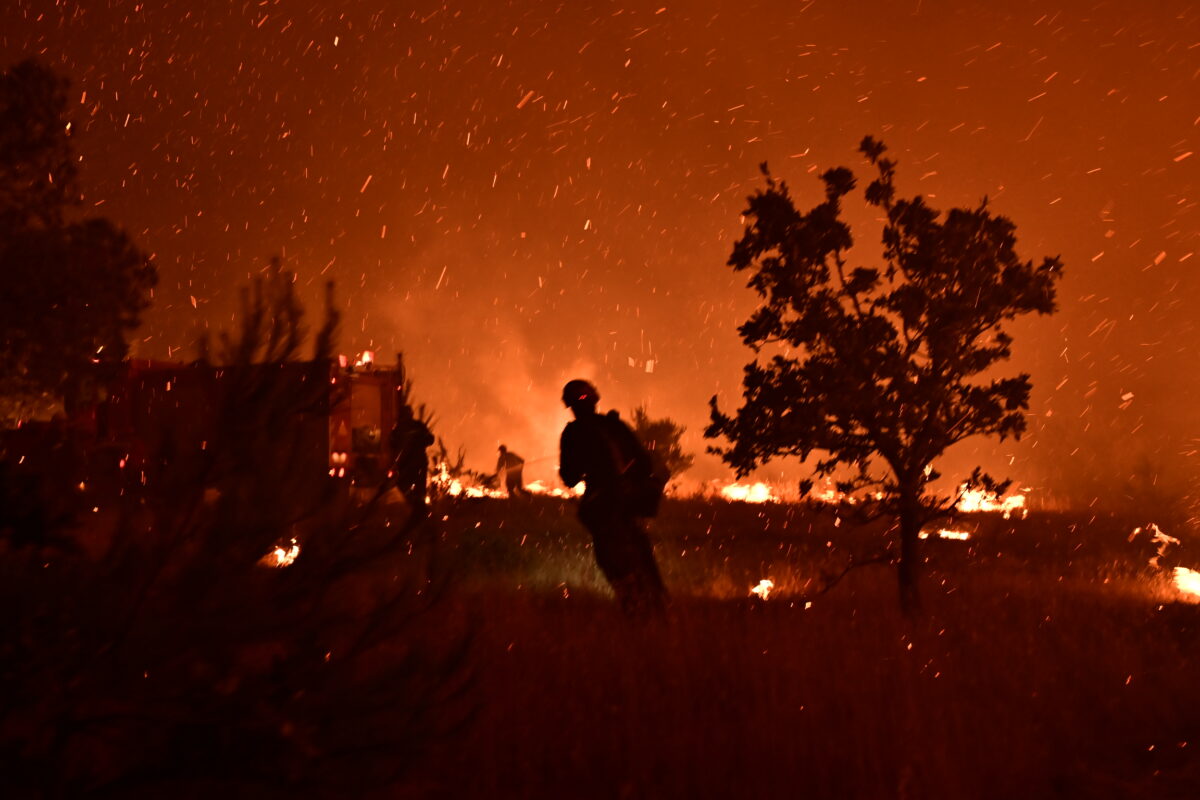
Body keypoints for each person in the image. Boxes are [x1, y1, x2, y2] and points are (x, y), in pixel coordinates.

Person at [558, 379, 666, 617]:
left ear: (570, 405)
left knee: (609, 556)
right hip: (632, 500)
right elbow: (644, 460)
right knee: (641, 548)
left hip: (603, 503)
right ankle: (656, 600)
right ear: (595, 400)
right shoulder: (616, 426)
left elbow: (570, 476)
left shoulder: (573, 433)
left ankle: (635, 604)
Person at [389, 405, 434, 515]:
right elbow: (430, 439)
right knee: (419, 487)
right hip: (419, 462)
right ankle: (419, 509)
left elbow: (392, 443)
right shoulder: (418, 426)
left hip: (408, 464)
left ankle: (416, 508)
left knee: (403, 485)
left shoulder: (399, 428)